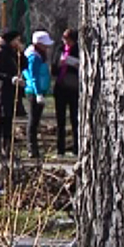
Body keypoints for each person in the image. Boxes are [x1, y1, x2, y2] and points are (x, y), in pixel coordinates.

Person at [23, 30, 54, 159]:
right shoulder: (33, 57)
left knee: (35, 121)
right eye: (45, 44)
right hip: (34, 92)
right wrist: (38, 93)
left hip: (39, 90)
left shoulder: (39, 55)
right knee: (33, 121)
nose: (47, 47)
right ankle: (32, 148)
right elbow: (33, 76)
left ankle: (34, 148)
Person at [0, 30, 24, 157]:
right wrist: (11, 78)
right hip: (2, 90)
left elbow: (23, 65)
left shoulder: (13, 53)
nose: (18, 42)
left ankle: (7, 148)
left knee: (9, 120)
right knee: (0, 119)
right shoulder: (0, 52)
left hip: (11, 91)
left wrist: (21, 52)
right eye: (17, 40)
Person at [51, 28, 79, 156]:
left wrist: (75, 65)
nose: (65, 41)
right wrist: (59, 63)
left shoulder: (78, 50)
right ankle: (60, 148)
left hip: (73, 87)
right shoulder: (59, 49)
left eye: (68, 39)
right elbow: (53, 67)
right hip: (60, 87)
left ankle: (76, 147)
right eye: (64, 39)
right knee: (60, 120)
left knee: (75, 118)